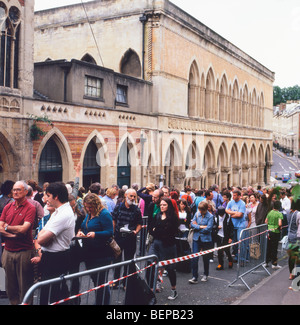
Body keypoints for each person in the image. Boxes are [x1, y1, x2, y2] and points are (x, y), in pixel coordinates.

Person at [37, 182, 75, 305]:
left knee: (53, 296)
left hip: (56, 259)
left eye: (48, 195)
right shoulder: (58, 211)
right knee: (48, 294)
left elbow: (40, 240)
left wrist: (43, 238)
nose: (46, 198)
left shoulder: (63, 214)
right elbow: (41, 235)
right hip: (51, 257)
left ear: (56, 196)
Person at [0, 180, 36, 305]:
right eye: (14, 190)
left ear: (26, 192)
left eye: (18, 190)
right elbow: (0, 227)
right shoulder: (7, 207)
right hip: (8, 252)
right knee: (10, 288)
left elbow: (23, 229)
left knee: (25, 288)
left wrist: (6, 227)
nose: (15, 192)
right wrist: (12, 235)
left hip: (24, 252)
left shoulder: (30, 208)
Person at [76, 193, 114, 305]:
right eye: (86, 207)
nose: (88, 209)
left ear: (96, 204)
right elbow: (85, 226)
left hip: (102, 254)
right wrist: (81, 232)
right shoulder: (89, 214)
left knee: (101, 282)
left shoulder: (104, 214)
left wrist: (95, 234)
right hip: (90, 253)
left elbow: (110, 232)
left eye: (90, 207)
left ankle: (103, 303)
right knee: (96, 281)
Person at [148, 197, 179, 300]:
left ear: (168, 206)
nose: (162, 206)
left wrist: (157, 230)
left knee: (170, 268)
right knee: (150, 263)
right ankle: (152, 287)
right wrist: (158, 230)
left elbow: (170, 233)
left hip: (168, 245)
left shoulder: (173, 217)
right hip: (156, 243)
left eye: (164, 205)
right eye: (161, 205)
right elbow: (152, 229)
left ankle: (173, 290)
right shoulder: (158, 215)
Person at [111, 188, 142, 288]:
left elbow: (139, 224)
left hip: (130, 238)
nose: (132, 198)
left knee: (128, 261)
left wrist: (136, 231)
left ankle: (126, 282)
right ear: (125, 195)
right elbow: (114, 220)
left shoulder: (136, 209)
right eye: (131, 196)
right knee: (117, 260)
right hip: (119, 237)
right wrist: (113, 234)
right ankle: (115, 281)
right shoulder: (118, 207)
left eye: (134, 196)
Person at [189, 201, 213, 284]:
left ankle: (206, 274)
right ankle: (194, 276)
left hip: (206, 240)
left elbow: (209, 228)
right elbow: (192, 224)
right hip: (196, 239)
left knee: (205, 258)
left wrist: (197, 228)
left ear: (206, 210)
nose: (200, 212)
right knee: (194, 258)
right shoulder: (196, 213)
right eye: (199, 210)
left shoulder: (210, 216)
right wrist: (201, 227)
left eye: (202, 210)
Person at [225, 190, 246, 262]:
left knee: (240, 241)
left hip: (240, 225)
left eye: (235, 195)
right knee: (234, 242)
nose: (233, 197)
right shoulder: (231, 202)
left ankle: (242, 258)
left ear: (239, 196)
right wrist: (234, 212)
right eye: (233, 195)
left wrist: (231, 214)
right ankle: (237, 256)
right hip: (232, 225)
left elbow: (240, 215)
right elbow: (226, 210)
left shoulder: (242, 203)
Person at [265, 200, 283, 269]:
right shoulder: (279, 214)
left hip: (269, 231)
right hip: (276, 232)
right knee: (274, 248)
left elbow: (266, 221)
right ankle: (274, 264)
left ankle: (266, 262)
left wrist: (270, 225)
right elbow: (280, 224)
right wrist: (279, 227)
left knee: (268, 247)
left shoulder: (270, 212)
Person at [286, 199, 300, 279]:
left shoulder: (288, 212)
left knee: (291, 256)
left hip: (290, 235)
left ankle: (291, 274)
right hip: (296, 236)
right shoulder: (298, 214)